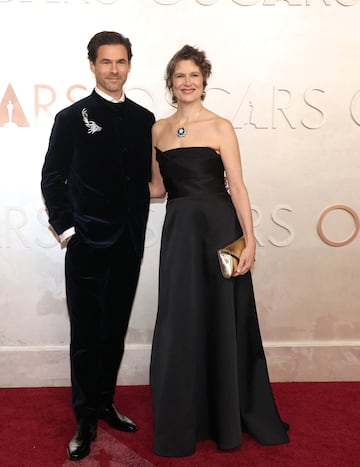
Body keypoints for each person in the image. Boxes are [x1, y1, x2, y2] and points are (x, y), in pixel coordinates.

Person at [149, 45, 289, 457]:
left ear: (204, 81)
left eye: (194, 75)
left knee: (226, 314)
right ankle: (187, 414)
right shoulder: (156, 131)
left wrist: (250, 239)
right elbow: (157, 189)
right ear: (170, 83)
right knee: (181, 319)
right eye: (180, 76)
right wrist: (107, 189)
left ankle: (229, 412)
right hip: (180, 234)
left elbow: (238, 187)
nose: (187, 82)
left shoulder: (221, 126)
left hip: (221, 231)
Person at [41, 31, 155, 461]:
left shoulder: (146, 119)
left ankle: (105, 402)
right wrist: (67, 231)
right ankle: (84, 419)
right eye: (105, 62)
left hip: (128, 244)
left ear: (129, 65)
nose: (113, 69)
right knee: (86, 337)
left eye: (121, 61)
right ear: (92, 65)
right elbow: (52, 178)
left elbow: (151, 180)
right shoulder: (72, 118)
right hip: (87, 244)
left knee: (114, 332)